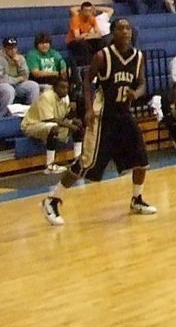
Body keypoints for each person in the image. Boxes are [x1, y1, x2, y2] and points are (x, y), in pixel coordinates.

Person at [41, 18, 157, 225]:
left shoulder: (138, 56)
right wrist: (87, 109)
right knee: (86, 162)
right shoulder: (102, 56)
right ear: (113, 32)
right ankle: (52, 199)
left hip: (124, 113)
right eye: (121, 28)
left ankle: (137, 199)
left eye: (128, 28)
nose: (125, 31)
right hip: (104, 115)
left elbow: (142, 83)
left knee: (142, 159)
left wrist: (136, 93)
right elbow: (87, 81)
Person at [21, 77, 82, 174]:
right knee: (54, 128)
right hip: (32, 125)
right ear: (55, 88)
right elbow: (49, 118)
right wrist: (70, 126)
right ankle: (49, 165)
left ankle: (77, 160)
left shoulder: (65, 98)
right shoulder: (46, 96)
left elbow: (64, 117)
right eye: (62, 87)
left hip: (51, 124)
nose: (65, 90)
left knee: (78, 124)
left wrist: (73, 113)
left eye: (67, 88)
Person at [0, 38, 39, 120]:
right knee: (8, 89)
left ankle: (32, 115)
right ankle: (3, 118)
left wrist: (19, 64)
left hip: (15, 85)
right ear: (3, 48)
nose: (12, 50)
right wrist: (18, 79)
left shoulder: (20, 58)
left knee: (33, 85)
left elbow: (25, 76)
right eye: (9, 48)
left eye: (14, 48)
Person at [66, 2, 114, 67]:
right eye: (86, 11)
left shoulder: (92, 18)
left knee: (101, 41)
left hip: (86, 39)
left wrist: (87, 35)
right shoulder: (76, 19)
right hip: (72, 41)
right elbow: (77, 37)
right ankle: (88, 66)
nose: (88, 13)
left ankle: (102, 63)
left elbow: (99, 34)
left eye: (89, 11)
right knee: (84, 44)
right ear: (81, 11)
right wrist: (89, 36)